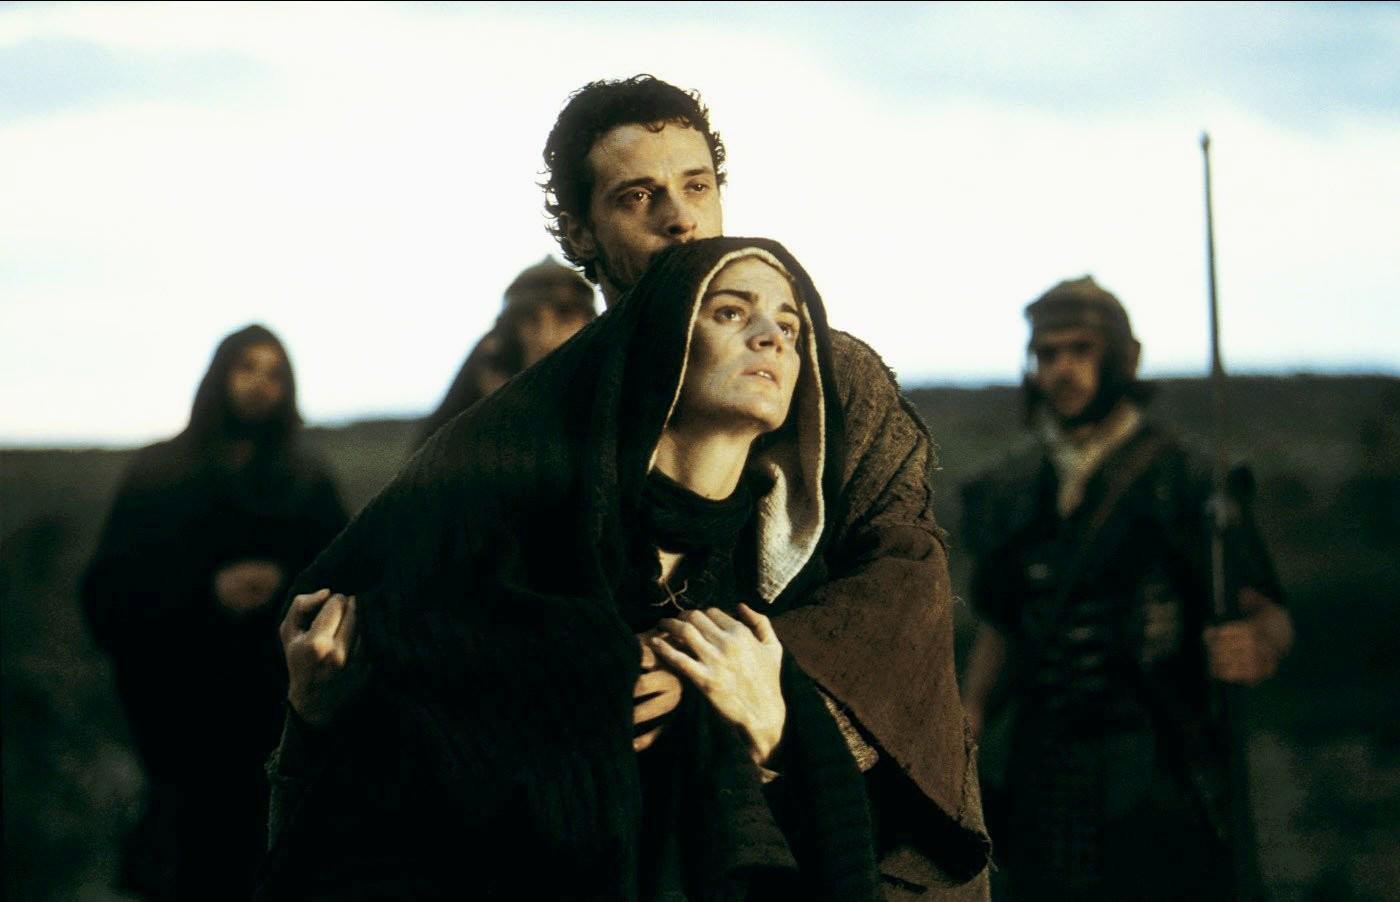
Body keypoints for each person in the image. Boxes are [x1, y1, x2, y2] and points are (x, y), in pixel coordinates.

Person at [277, 76, 990, 897]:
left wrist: (737, 681)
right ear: (581, 230)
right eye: (638, 196)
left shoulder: (826, 374)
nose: (680, 218)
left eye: (697, 186)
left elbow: (901, 577)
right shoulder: (536, 412)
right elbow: (414, 589)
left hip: (809, 793)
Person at [263, 238, 883, 899]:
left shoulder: (784, 579)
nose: (772, 338)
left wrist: (769, 730)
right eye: (731, 312)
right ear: (659, 341)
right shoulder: (516, 541)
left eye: (790, 327)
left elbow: (830, 832)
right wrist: (602, 678)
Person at [958, 276, 1294, 901]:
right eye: (1048, 354)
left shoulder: (1187, 478)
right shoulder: (1011, 490)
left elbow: (1265, 611)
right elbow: (1001, 624)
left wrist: (1258, 643)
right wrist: (971, 713)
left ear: (1119, 358)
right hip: (1043, 769)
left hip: (1156, 763)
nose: (1062, 369)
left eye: (1081, 350)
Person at [80, 324, 348, 899]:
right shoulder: (159, 474)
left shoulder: (305, 480)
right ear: (219, 376)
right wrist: (205, 592)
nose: (259, 384)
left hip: (274, 720)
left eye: (274, 373)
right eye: (246, 367)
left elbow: (343, 580)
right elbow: (107, 593)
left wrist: (286, 585)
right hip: (182, 722)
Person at [413, 256, 597, 448]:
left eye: (565, 317)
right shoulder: (487, 366)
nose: (546, 337)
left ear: (588, 324)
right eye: (530, 319)